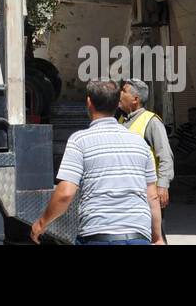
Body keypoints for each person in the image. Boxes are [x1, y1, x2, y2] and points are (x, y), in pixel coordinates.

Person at [30, 79, 164, 245]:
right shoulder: (139, 142)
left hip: (98, 235)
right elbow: (152, 196)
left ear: (89, 102)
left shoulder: (80, 141)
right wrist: (157, 237)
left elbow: (65, 193)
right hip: (138, 236)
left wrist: (41, 224)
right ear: (117, 104)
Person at [118, 78, 174, 209]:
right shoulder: (121, 120)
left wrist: (162, 185)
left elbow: (165, 156)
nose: (119, 94)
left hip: (148, 192)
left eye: (124, 91)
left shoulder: (152, 122)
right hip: (126, 192)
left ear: (135, 99)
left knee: (155, 228)